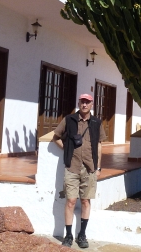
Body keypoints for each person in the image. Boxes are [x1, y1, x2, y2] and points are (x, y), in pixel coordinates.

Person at [52, 93, 107, 249]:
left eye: (87, 102)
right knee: (70, 201)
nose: (84, 105)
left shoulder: (96, 122)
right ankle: (68, 235)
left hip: (90, 168)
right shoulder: (69, 120)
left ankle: (82, 234)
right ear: (79, 103)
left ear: (91, 105)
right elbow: (56, 137)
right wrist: (67, 149)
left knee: (85, 201)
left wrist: (98, 167)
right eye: (82, 102)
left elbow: (99, 145)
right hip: (72, 166)